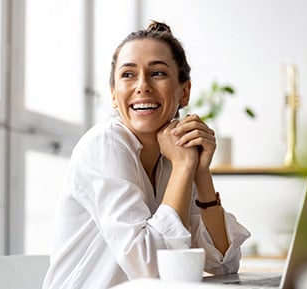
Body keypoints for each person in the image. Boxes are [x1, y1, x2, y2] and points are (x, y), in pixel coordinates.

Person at [42, 20, 250, 289]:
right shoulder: (105, 144)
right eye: (128, 75)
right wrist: (184, 168)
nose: (142, 86)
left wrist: (200, 171)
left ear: (184, 92)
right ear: (114, 96)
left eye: (158, 73)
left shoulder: (174, 155)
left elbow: (223, 263)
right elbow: (150, 269)